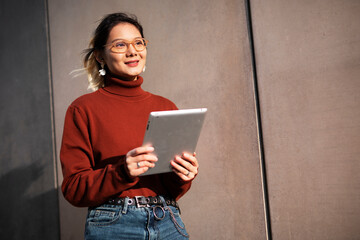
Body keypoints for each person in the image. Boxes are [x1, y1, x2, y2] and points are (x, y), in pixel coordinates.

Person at [60, 12, 199, 239]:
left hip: (167, 219)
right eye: (119, 45)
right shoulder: (82, 109)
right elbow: (74, 189)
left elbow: (173, 189)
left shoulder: (166, 106)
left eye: (138, 43)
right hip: (113, 223)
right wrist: (122, 171)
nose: (132, 51)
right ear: (100, 56)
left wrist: (184, 174)